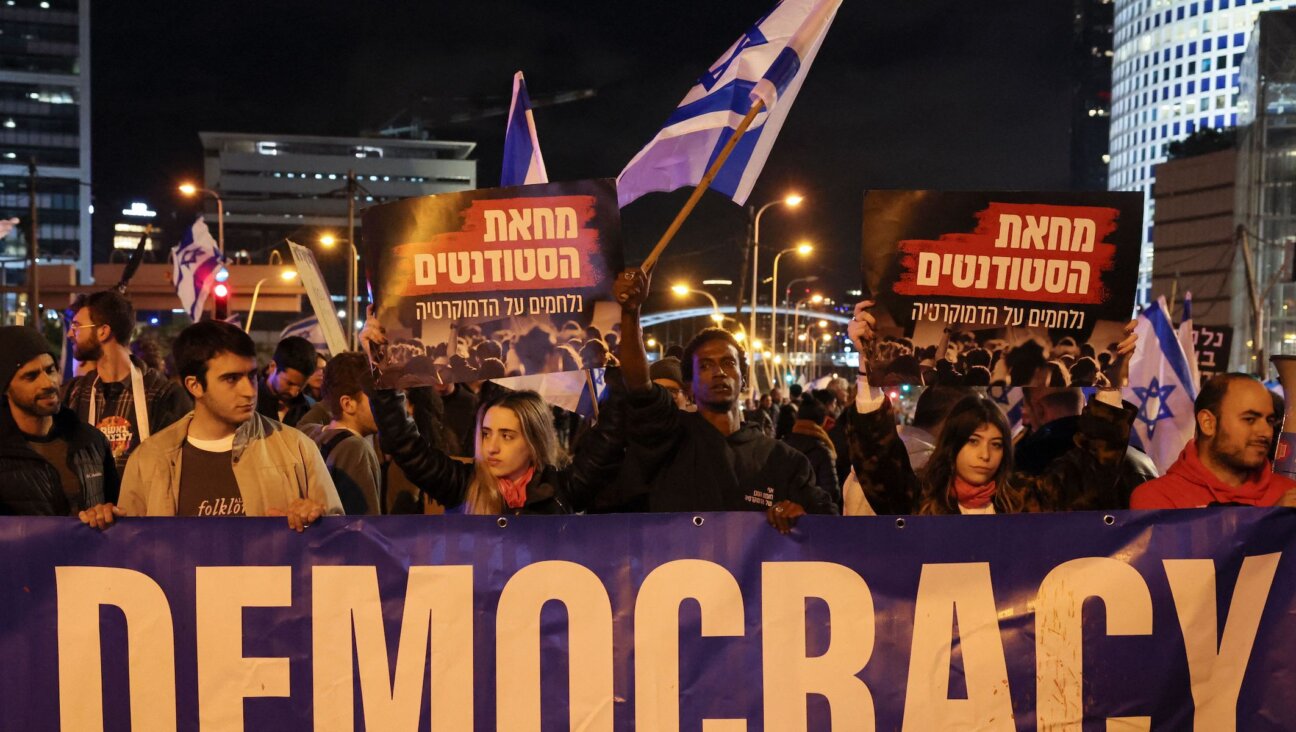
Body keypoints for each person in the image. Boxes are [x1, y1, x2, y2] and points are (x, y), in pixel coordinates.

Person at [843, 300, 1139, 515]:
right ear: (951, 445)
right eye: (973, 441)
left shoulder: (1024, 502)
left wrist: (1111, 386)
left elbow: (1089, 474)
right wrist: (868, 366)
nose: (984, 455)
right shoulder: (923, 504)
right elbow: (877, 463)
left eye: (996, 444)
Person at [614, 268, 836, 531]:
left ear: (743, 379)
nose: (719, 372)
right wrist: (630, 312)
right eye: (705, 366)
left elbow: (829, 526)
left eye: (728, 363)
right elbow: (639, 385)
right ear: (689, 387)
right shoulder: (667, 440)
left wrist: (802, 517)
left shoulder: (783, 460)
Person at [79, 321, 342, 530]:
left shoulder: (297, 449)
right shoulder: (149, 459)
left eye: (251, 375)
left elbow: (340, 544)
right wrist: (105, 525)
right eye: (231, 379)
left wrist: (314, 522)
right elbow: (129, 553)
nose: (249, 391)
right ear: (194, 385)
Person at [362, 318, 622, 515]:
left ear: (534, 441)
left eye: (507, 436)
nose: (492, 447)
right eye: (486, 434)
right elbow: (407, 448)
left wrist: (620, 377)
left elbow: (608, 441)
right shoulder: (463, 484)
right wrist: (382, 374)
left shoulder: (562, 489)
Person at [64, 289, 190, 472]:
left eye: (76, 326)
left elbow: (179, 465)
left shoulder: (163, 395)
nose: (70, 334)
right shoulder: (75, 393)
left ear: (103, 332)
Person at [1131, 373, 1296, 508]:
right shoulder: (1157, 499)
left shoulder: (1288, 493)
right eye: (1250, 419)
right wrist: (1275, 523)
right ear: (1208, 423)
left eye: (1269, 420)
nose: (1266, 431)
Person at [0, 326, 118, 515]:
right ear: (6, 388)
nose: (48, 383)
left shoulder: (91, 441)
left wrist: (106, 514)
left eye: (50, 370)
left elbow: (116, 509)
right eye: (31, 376)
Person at [1017, 386, 1157, 508]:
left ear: (1039, 409)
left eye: (1025, 408)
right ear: (1084, 402)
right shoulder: (1141, 460)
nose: (1023, 419)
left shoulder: (1024, 462)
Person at [297, 352, 383, 516]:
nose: (384, 405)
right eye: (375, 397)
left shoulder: (311, 435)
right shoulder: (356, 449)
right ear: (348, 404)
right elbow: (364, 526)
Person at [782, 393, 840, 506]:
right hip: (813, 517)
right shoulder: (823, 451)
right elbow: (832, 493)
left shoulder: (782, 446)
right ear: (822, 421)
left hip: (783, 516)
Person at [257, 336, 318, 427]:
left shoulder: (309, 408)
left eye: (301, 386)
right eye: (290, 383)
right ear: (272, 367)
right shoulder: (249, 403)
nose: (294, 393)